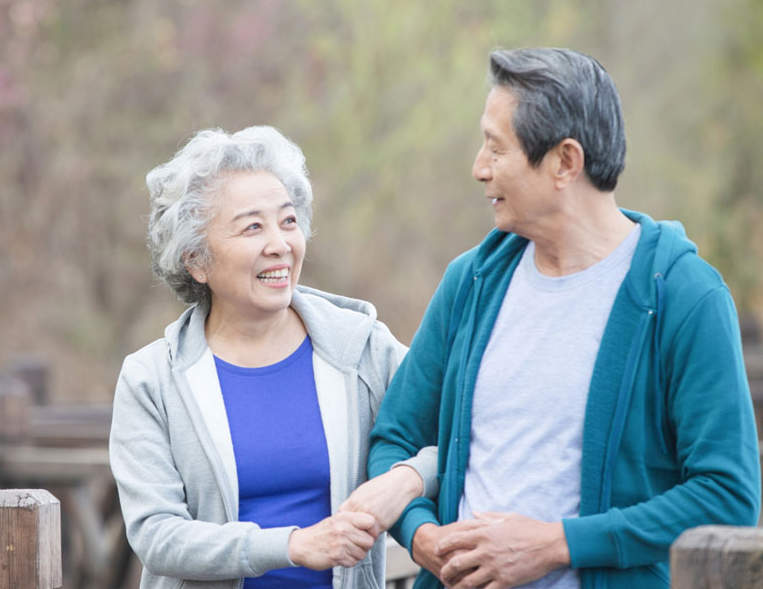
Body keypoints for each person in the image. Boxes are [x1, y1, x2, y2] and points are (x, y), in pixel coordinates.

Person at [366, 48, 761, 589]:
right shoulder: (471, 283)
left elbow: (728, 495)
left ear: (565, 162)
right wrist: (420, 535)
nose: (479, 168)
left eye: (495, 148)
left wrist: (556, 545)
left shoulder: (685, 297)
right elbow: (393, 437)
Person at [109, 125, 437, 589]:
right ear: (196, 261)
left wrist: (406, 480)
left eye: (288, 221)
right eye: (252, 227)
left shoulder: (361, 349)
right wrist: (292, 546)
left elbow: (458, 433)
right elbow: (158, 535)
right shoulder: (151, 380)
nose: (280, 244)